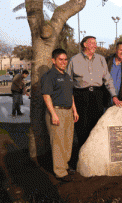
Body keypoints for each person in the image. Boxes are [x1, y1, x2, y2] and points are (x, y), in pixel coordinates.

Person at [67, 36, 119, 149]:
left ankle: (95, 152)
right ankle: (82, 153)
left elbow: (108, 79)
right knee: (82, 126)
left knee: (97, 125)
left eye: (95, 43)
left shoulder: (101, 59)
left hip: (97, 95)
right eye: (92, 43)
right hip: (80, 95)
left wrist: (114, 95)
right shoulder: (74, 60)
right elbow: (68, 83)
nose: (95, 45)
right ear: (85, 44)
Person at [41, 48, 79, 182]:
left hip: (68, 112)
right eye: (60, 59)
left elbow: (71, 95)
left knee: (68, 141)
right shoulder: (49, 76)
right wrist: (53, 114)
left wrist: (74, 110)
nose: (64, 62)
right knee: (58, 142)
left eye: (65, 59)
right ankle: (60, 172)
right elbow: (46, 96)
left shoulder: (67, 76)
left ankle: (65, 165)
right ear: (54, 60)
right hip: (57, 112)